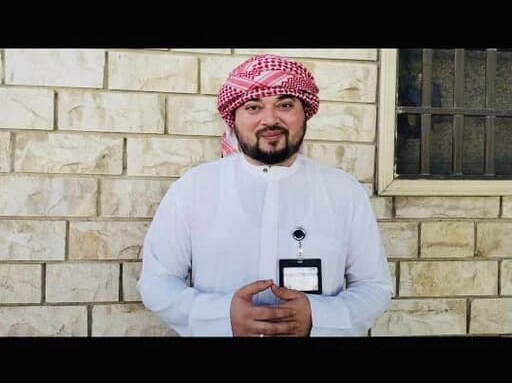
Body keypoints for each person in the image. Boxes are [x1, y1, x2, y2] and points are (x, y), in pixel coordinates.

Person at [137, 54, 393, 336]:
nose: (270, 119)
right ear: (233, 119)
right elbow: (157, 283)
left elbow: (374, 287)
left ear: (305, 113)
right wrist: (221, 316)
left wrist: (319, 317)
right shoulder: (194, 187)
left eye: (285, 105)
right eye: (253, 107)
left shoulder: (343, 191)